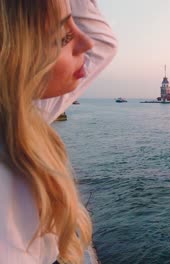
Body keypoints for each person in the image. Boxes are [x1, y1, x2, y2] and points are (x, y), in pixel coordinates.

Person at [0, 0, 117, 263]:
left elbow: (101, 43)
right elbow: (102, 43)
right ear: (12, 53)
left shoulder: (17, 116)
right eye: (64, 36)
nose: (86, 43)